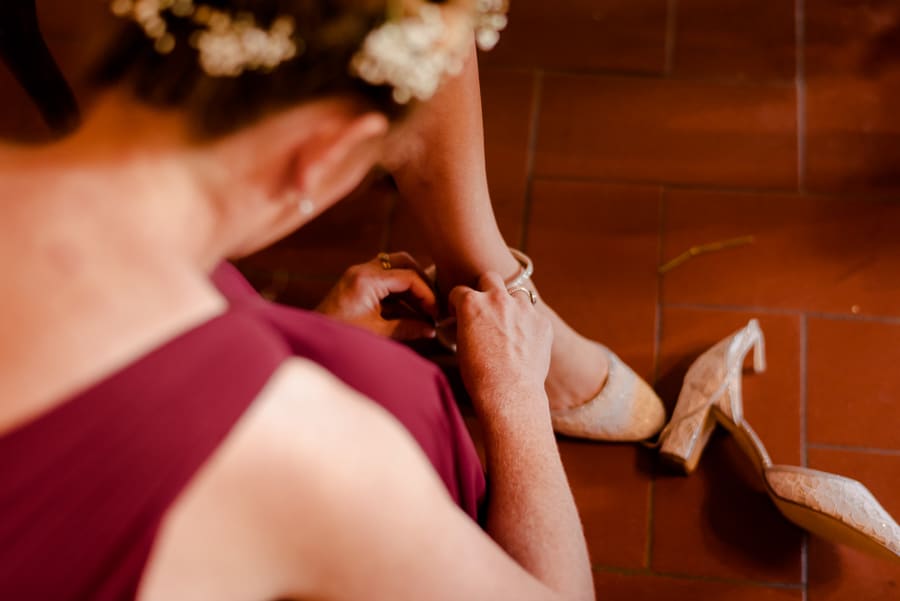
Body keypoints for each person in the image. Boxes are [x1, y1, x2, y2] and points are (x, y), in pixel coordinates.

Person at [0, 0, 594, 599]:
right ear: (326, 153)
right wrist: (517, 399)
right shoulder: (295, 445)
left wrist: (317, 333)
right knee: (394, 394)